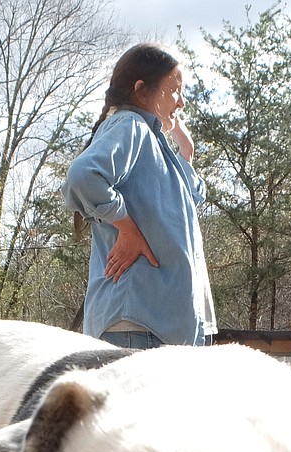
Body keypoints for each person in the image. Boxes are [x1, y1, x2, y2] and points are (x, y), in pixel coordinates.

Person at [61, 44, 216, 348]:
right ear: (142, 91)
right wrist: (126, 227)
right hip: (138, 325)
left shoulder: (153, 142)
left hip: (154, 326)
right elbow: (82, 176)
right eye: (174, 90)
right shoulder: (130, 125)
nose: (181, 102)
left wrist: (186, 151)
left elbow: (191, 198)